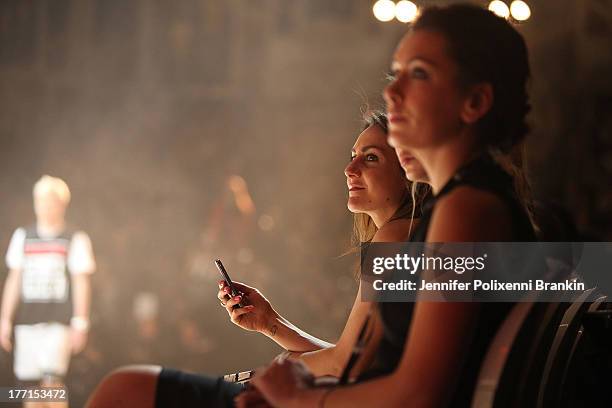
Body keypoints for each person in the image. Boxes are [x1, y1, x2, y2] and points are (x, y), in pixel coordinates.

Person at [240, 4, 536, 407]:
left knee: (131, 388)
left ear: (475, 101)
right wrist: (275, 335)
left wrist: (296, 398)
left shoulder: (466, 209)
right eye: (396, 73)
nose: (392, 92)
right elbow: (366, 361)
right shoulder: (467, 203)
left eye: (418, 73)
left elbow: (417, 393)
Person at [84, 111, 429, 408]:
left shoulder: (398, 236)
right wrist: (271, 323)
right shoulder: (413, 236)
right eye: (352, 154)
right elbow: (352, 359)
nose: (349, 168)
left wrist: (278, 374)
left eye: (370, 158)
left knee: (124, 388)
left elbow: (343, 366)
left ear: (408, 169)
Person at [1, 175, 96, 408]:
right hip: (27, 322)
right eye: (40, 200)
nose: (44, 206)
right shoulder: (23, 236)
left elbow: (80, 282)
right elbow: (14, 279)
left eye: (50, 200)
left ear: (61, 204)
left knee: (52, 385)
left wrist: (80, 322)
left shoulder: (74, 239)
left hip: (57, 322)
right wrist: (5, 319)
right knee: (30, 388)